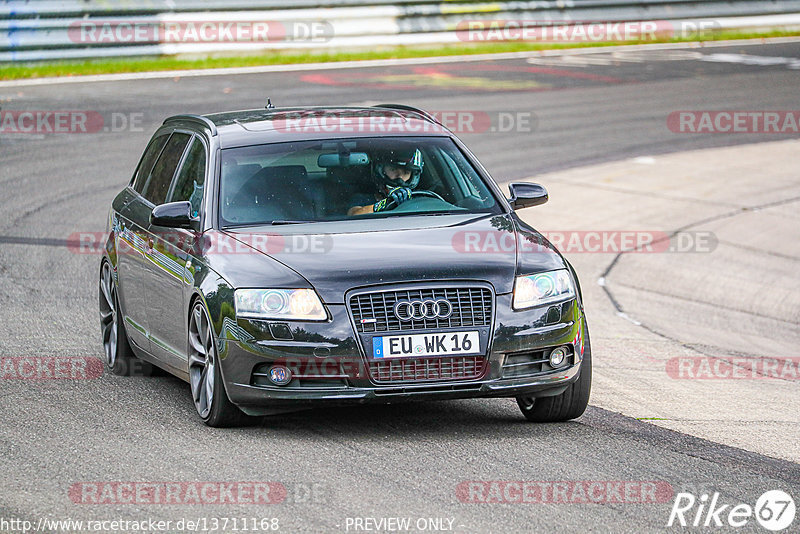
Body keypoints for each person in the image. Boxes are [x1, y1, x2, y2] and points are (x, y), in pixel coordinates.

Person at [347, 145, 423, 216]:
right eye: (393, 170)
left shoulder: (419, 200)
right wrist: (385, 204)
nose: (400, 177)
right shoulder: (362, 199)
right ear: (380, 171)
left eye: (406, 173)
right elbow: (354, 214)